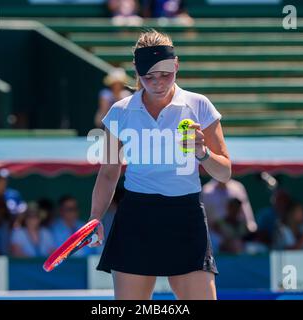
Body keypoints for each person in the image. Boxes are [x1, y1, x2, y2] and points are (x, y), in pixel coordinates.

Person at [87, 30, 231, 300]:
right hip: (136, 216)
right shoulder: (118, 111)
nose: (158, 83)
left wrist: (202, 153)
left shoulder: (200, 105)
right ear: (136, 72)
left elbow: (225, 172)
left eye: (165, 74)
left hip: (186, 215)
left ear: (176, 65)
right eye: (148, 77)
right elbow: (108, 173)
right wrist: (95, 218)